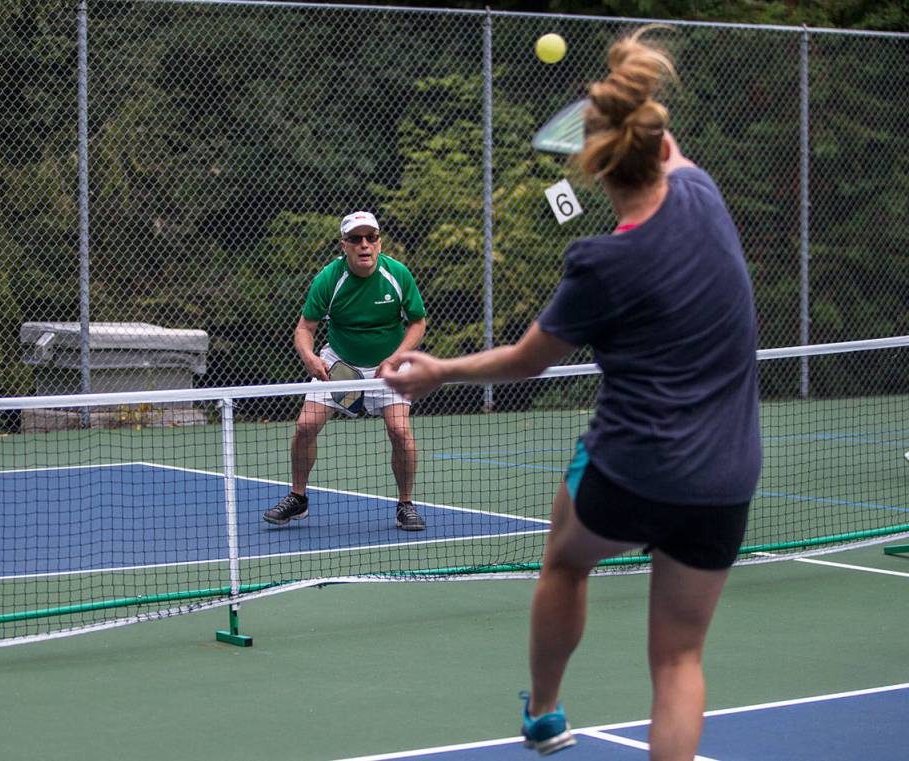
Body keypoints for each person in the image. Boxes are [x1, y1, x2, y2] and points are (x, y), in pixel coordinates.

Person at [382, 27, 760, 761]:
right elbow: (662, 140)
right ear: (656, 143)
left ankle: (546, 711)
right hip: (724, 479)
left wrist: (437, 371)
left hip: (629, 471)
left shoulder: (599, 263)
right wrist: (622, 93)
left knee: (566, 560)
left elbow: (527, 361)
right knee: (679, 664)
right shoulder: (703, 193)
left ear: (596, 169)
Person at [264, 211, 429, 531]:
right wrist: (310, 358)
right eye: (356, 239)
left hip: (389, 364)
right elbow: (304, 328)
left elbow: (417, 323)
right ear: (345, 246)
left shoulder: (398, 274)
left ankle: (406, 504)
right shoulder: (329, 278)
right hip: (340, 364)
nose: (364, 245)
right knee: (305, 426)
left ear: (379, 243)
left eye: (371, 238)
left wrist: (395, 359)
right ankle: (298, 498)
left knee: (400, 431)